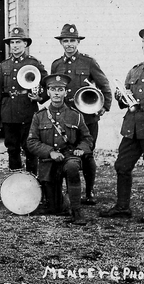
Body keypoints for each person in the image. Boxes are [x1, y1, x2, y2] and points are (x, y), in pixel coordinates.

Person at [100, 28, 144, 223]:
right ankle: (122, 207)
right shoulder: (134, 70)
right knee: (122, 166)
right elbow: (125, 102)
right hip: (131, 130)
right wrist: (121, 97)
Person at [51, 24, 112, 205]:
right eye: (66, 41)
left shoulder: (89, 62)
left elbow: (104, 85)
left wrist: (104, 106)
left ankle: (90, 191)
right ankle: (70, 191)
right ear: (61, 43)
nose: (69, 44)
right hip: (65, 117)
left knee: (87, 154)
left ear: (78, 42)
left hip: (87, 117)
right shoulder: (57, 64)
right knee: (66, 152)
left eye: (72, 41)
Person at [27, 74, 93, 225]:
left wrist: (81, 149)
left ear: (65, 92)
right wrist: (50, 151)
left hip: (69, 157)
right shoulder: (39, 116)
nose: (56, 93)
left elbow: (87, 138)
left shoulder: (75, 115)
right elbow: (31, 142)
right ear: (48, 92)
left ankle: (76, 211)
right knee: (55, 208)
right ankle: (56, 202)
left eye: (60, 89)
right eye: (53, 89)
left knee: (72, 167)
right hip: (49, 160)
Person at [0, 27, 48, 174]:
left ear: (25, 44)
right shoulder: (4, 65)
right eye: (12, 42)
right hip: (8, 113)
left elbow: (48, 83)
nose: (15, 45)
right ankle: (16, 181)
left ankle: (32, 181)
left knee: (30, 147)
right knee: (12, 147)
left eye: (18, 42)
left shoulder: (33, 63)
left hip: (27, 112)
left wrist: (40, 97)